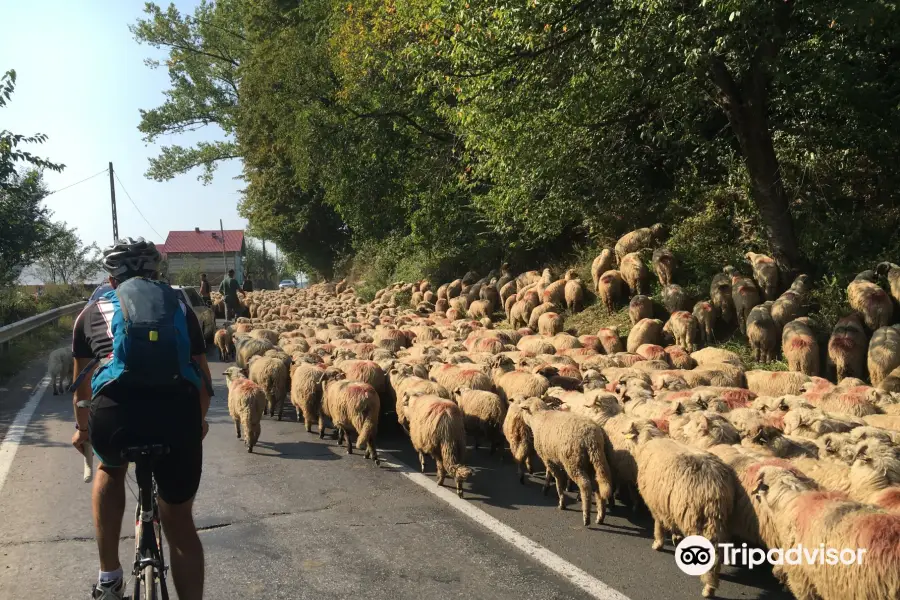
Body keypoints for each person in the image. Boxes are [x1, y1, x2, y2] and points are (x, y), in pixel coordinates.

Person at [70, 237, 211, 600]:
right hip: (176, 413)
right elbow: (203, 381)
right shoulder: (179, 306)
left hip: (114, 416)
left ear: (111, 277)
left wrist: (83, 431)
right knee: (179, 521)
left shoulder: (90, 313)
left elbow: (81, 391)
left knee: (109, 469)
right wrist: (199, 423)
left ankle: (109, 578)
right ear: (156, 272)